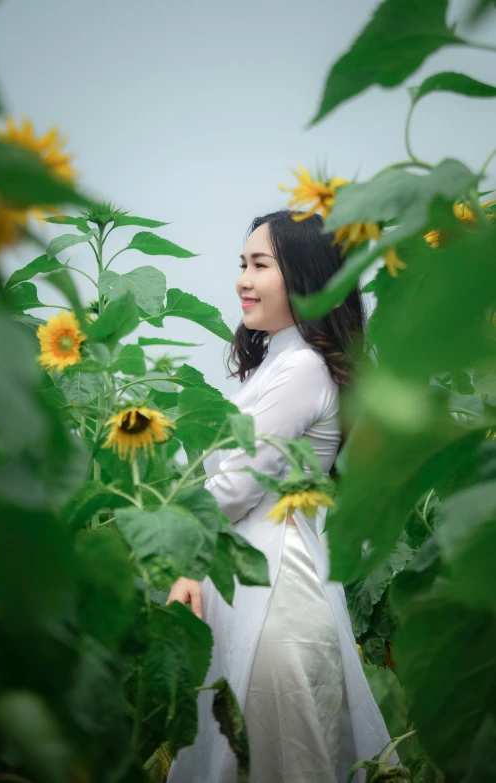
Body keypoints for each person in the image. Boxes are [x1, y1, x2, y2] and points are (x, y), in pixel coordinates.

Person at [166, 210, 396, 783]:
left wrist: (176, 554)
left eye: (260, 265)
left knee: (279, 760)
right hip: (251, 582)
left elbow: (233, 487)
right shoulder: (278, 364)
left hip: (273, 594)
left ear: (305, 276)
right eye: (242, 264)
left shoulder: (300, 368)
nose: (243, 278)